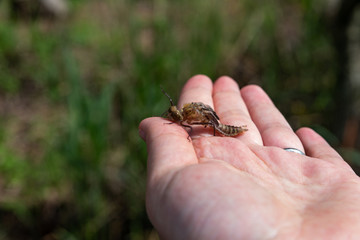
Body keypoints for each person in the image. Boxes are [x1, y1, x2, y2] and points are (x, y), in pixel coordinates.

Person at [139, 75, 360, 240]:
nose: (172, 114)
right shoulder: (185, 114)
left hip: (216, 124)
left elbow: (203, 117)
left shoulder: (191, 114)